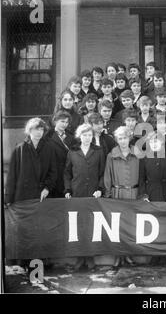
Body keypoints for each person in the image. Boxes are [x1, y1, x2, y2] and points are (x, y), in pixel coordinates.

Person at [64, 123, 105, 271]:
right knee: (78, 226)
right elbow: (67, 173)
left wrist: (100, 189)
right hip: (77, 193)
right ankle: (79, 259)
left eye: (89, 135)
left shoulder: (98, 151)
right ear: (79, 136)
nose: (87, 138)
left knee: (91, 226)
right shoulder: (72, 151)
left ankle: (90, 259)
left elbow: (102, 173)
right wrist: (67, 189)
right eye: (84, 135)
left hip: (93, 193)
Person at [103, 126, 140, 267]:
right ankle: (119, 255)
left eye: (125, 138)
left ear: (129, 138)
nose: (123, 141)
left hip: (133, 193)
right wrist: (108, 194)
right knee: (117, 226)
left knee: (131, 225)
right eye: (120, 138)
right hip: (117, 193)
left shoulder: (137, 153)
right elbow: (107, 175)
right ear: (117, 140)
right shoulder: (111, 155)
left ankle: (129, 254)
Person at [5, 117, 57, 205]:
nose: (39, 132)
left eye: (41, 130)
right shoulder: (19, 149)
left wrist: (47, 188)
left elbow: (53, 172)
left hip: (42, 195)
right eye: (36, 129)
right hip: (23, 196)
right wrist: (8, 198)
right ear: (29, 130)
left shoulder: (49, 148)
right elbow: (12, 176)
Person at [138, 131, 166, 266]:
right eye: (152, 142)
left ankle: (164, 254)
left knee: (165, 223)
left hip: (165, 191)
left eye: (157, 141)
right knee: (152, 224)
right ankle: (154, 254)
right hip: (151, 192)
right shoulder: (144, 158)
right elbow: (141, 179)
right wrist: (144, 194)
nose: (155, 144)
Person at [47, 111, 76, 198]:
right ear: (55, 121)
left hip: (68, 172)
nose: (65, 124)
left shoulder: (71, 136)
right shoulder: (48, 136)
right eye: (62, 121)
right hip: (55, 172)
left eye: (67, 122)